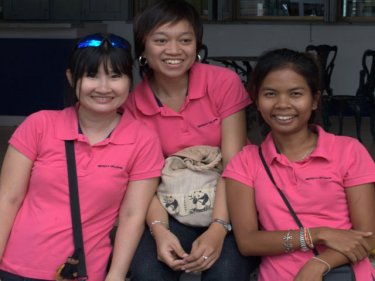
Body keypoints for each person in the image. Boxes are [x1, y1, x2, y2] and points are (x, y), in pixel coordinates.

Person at [0, 32, 164, 281]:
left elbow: (132, 214)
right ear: (71, 77)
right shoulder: (39, 125)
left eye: (115, 76)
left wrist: (116, 274)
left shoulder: (143, 140)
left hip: (81, 273)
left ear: (130, 81)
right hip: (15, 267)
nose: (103, 88)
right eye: (91, 75)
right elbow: (7, 200)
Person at [124, 0, 259, 280]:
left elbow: (233, 164)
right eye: (161, 40)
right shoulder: (132, 104)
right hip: (170, 207)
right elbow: (145, 178)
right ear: (143, 47)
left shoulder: (223, 82)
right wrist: (160, 230)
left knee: (225, 273)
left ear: (197, 46)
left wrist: (219, 227)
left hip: (232, 203)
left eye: (185, 40)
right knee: (148, 272)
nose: (174, 50)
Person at [223, 48, 375, 281]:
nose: (282, 104)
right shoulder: (245, 162)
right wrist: (318, 235)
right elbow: (248, 242)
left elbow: (368, 235)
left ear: (314, 100)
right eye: (270, 94)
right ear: (256, 100)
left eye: (295, 94)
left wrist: (319, 263)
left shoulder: (349, 151)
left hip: (345, 274)